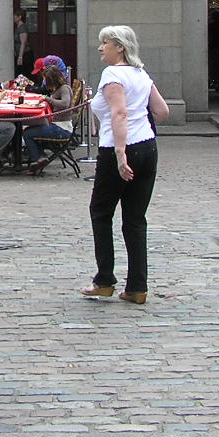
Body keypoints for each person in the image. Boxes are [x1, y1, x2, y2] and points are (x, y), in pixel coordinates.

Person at [82, 25, 169, 306]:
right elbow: (162, 111)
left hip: (118, 148)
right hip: (147, 146)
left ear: (119, 47)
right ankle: (137, 286)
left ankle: (105, 279)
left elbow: (119, 113)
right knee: (134, 218)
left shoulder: (113, 74)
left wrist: (121, 154)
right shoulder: (140, 73)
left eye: (104, 43)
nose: (100, 47)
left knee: (101, 211)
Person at [20, 64, 74, 172]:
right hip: (57, 124)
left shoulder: (64, 88)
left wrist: (48, 99)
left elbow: (65, 103)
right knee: (29, 130)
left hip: (62, 128)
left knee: (28, 133)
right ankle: (40, 156)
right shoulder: (58, 89)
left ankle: (38, 158)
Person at [13, 9, 32, 78]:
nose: (13, 18)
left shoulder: (22, 27)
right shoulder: (17, 28)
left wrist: (20, 57)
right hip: (19, 54)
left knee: (25, 73)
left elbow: (23, 42)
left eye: (15, 16)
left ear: (19, 17)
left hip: (25, 54)